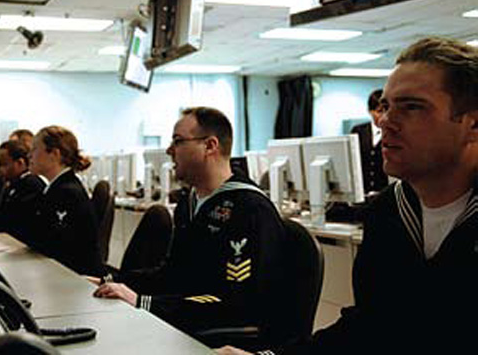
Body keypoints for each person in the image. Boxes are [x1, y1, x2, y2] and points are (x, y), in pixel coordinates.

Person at [217, 37, 478, 355]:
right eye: (385, 106)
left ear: (473, 123)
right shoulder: (389, 210)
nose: (384, 122)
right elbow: (368, 327)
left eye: (412, 107)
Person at [93, 107, 291, 350]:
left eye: (178, 141)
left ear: (210, 146)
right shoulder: (191, 202)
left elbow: (235, 303)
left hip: (224, 339)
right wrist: (110, 280)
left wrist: (144, 303)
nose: (168, 150)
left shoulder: (248, 209)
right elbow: (173, 274)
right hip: (188, 323)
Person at [29, 125, 104, 276]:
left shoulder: (66, 193)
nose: (29, 155)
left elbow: (48, 242)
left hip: (75, 279)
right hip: (62, 272)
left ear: (54, 154)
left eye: (35, 149)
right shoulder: (58, 187)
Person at [0, 140, 45, 242]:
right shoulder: (12, 185)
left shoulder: (31, 185)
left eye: (3, 164)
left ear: (20, 163)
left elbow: (8, 219)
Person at [350, 89, 389, 194]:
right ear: (370, 111)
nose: (384, 116)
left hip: (384, 191)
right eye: (379, 111)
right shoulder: (358, 131)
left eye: (386, 110)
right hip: (362, 192)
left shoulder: (393, 133)